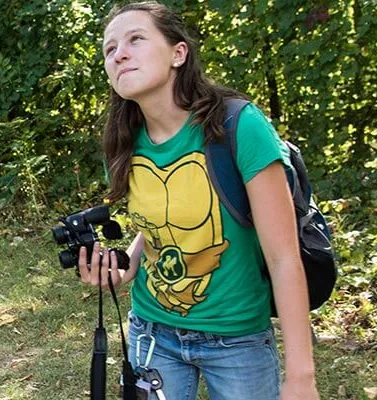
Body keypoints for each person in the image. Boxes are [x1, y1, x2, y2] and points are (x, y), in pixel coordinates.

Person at [78, 2, 319, 400]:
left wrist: (300, 377)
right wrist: (122, 271)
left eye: (136, 39)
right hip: (152, 333)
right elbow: (153, 231)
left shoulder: (238, 125)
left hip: (237, 341)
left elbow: (283, 258)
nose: (119, 53)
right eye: (109, 49)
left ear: (178, 53)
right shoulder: (123, 145)